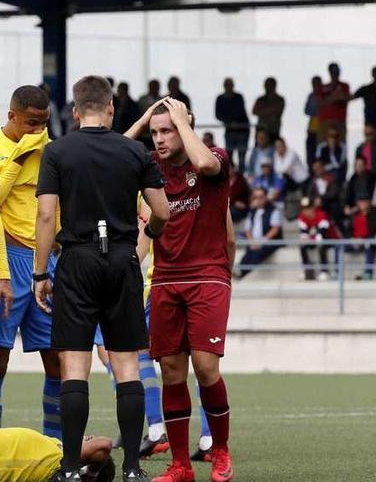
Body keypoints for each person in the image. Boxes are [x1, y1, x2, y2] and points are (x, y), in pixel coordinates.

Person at [34, 75, 169, 482]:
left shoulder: (57, 152)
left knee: (74, 366)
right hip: (123, 261)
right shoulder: (135, 152)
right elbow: (161, 212)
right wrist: (150, 236)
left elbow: (44, 216)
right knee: (127, 365)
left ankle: (71, 468)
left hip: (76, 260)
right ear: (111, 108)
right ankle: (131, 469)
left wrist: (41, 271)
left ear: (75, 111)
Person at [125, 98, 235, 482]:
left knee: (205, 368)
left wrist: (183, 122)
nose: (158, 139)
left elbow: (204, 164)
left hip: (207, 276)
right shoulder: (150, 167)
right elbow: (108, 160)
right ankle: (180, 466)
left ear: (185, 125)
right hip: (166, 279)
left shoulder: (214, 157)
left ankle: (219, 451)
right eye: (155, 132)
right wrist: (142, 121)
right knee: (171, 372)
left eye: (166, 130)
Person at [0, 85, 61, 438]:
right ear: (11, 115)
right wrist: (20, 156)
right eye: (30, 122)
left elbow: (56, 206)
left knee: (56, 356)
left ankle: (55, 447)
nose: (38, 130)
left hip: (43, 262)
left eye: (43, 123)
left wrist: (55, 248)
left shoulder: (51, 151)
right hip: (2, 261)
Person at [238, 188, 283, 278]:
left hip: (268, 242)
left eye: (261, 197)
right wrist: (251, 241)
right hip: (254, 242)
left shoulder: (273, 210)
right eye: (256, 197)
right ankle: (241, 269)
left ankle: (244, 272)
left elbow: (275, 229)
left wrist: (261, 242)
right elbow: (248, 229)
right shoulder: (252, 211)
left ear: (266, 197)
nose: (258, 200)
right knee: (249, 252)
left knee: (257, 252)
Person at [297, 196, 338, 281]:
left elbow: (321, 234)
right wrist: (306, 239)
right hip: (314, 239)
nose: (306, 211)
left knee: (321, 245)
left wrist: (311, 238)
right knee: (302, 246)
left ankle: (324, 271)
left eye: (308, 208)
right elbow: (303, 234)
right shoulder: (302, 217)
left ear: (313, 208)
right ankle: (307, 270)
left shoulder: (321, 215)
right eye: (304, 209)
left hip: (330, 239)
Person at [214, 78, 249, 170]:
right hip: (229, 130)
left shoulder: (238, 97)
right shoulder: (220, 98)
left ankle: (241, 178)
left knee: (241, 157)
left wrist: (232, 120)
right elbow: (218, 115)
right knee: (229, 155)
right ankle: (230, 176)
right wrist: (229, 122)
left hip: (242, 130)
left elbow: (240, 112)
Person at [316, 63, 350, 142]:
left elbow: (345, 98)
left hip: (339, 120)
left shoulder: (344, 86)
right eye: (333, 72)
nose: (335, 74)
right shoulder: (322, 87)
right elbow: (319, 102)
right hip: (324, 121)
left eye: (337, 71)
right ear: (329, 72)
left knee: (340, 145)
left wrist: (328, 99)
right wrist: (333, 97)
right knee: (323, 146)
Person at [306, 159, 343, 226]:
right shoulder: (313, 181)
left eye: (318, 168)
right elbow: (310, 194)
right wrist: (315, 200)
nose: (317, 170)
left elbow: (334, 193)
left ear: (323, 167)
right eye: (315, 169)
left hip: (329, 205)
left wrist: (321, 199)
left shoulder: (332, 178)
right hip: (316, 205)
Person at [350, 196, 376, 280]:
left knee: (369, 246)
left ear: (369, 203)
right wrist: (352, 238)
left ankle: (368, 273)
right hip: (355, 240)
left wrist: (363, 239)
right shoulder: (354, 214)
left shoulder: (373, 215)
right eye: (361, 202)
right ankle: (337, 272)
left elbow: (372, 230)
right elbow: (349, 229)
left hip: (367, 240)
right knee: (339, 246)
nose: (363, 204)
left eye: (365, 202)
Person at [251, 77, 285, 141]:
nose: (267, 87)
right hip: (261, 130)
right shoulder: (260, 99)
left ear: (274, 86)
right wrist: (270, 110)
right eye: (266, 85)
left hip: (274, 130)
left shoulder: (279, 100)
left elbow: (278, 112)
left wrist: (263, 111)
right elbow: (254, 111)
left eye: (269, 85)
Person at [305, 76, 323, 166]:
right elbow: (306, 110)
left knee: (319, 155)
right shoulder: (311, 96)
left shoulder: (324, 95)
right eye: (313, 84)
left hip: (321, 130)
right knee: (310, 154)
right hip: (311, 129)